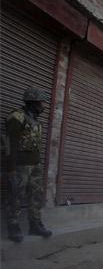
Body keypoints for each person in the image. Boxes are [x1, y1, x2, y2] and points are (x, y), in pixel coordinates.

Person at [5, 87, 52, 242]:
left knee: (36, 196)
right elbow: (9, 144)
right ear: (32, 101)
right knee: (16, 195)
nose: (43, 106)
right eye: (41, 102)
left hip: (35, 166)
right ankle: (13, 225)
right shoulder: (16, 117)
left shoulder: (35, 121)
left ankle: (35, 224)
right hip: (19, 165)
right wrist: (10, 168)